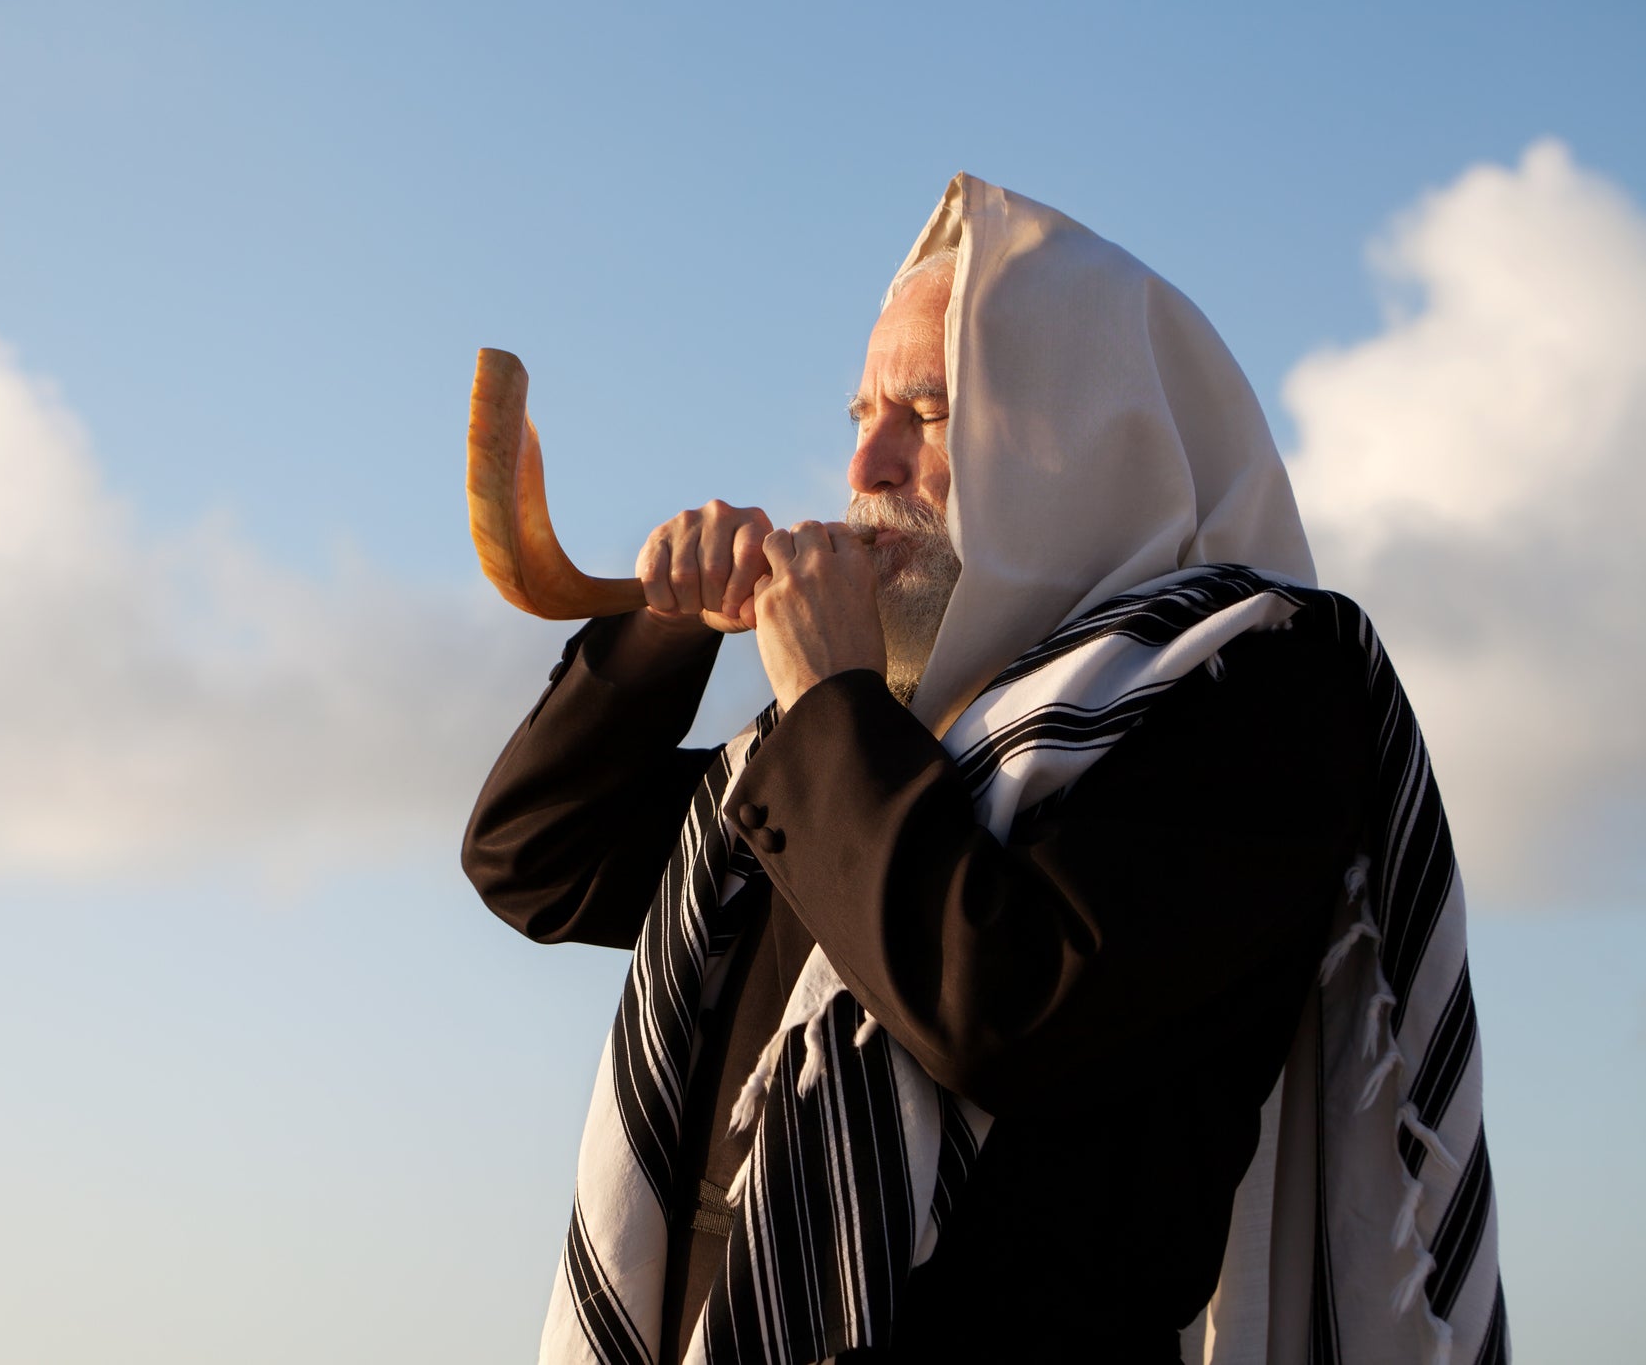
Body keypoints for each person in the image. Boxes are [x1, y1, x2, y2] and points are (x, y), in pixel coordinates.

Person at [463, 175, 1506, 1365]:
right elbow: (536, 858)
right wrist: (666, 630)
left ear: (1088, 436)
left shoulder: (1259, 686)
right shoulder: (863, 745)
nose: (868, 459)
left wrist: (833, 704)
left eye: (930, 409)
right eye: (861, 410)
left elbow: (1008, 1008)